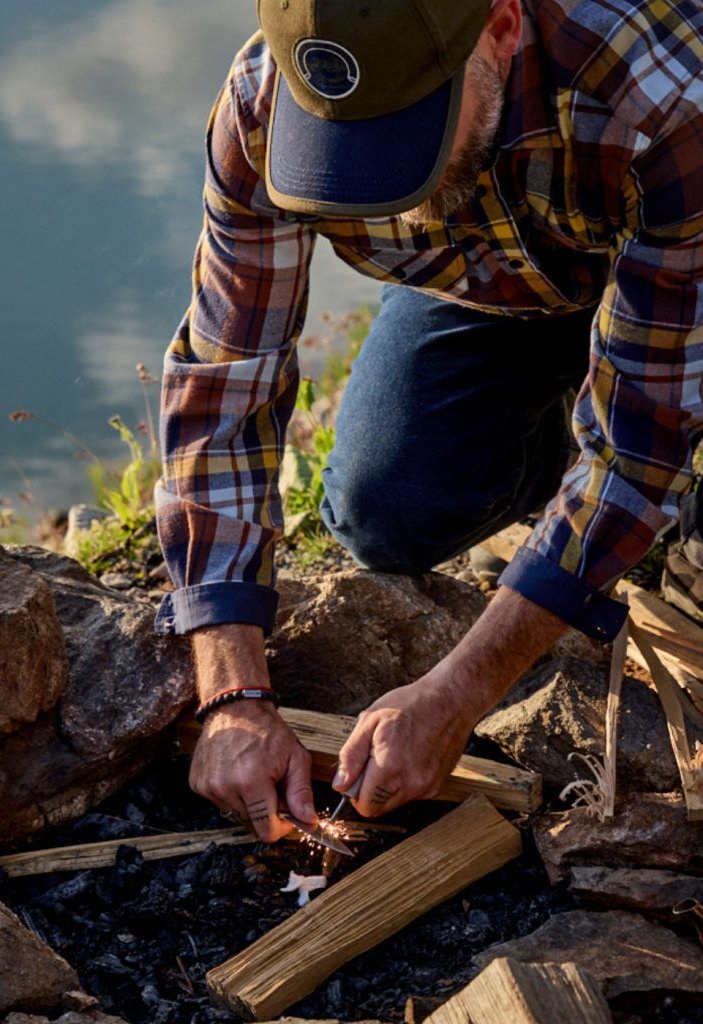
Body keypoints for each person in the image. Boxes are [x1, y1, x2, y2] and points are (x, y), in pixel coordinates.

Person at [152, 0, 703, 842]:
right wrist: (231, 689)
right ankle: (564, 480)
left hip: (679, 267)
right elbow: (225, 378)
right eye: (344, 149)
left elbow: (638, 446)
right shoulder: (265, 102)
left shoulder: (662, 96)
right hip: (507, 287)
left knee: (665, 485)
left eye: (403, 131)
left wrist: (456, 693)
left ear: (503, 26)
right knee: (385, 509)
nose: (370, 174)